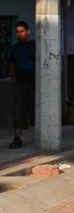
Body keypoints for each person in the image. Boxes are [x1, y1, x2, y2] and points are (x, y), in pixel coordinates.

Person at [8, 21, 35, 149]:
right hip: (20, 83)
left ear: (28, 32)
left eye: (22, 31)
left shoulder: (35, 45)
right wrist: (14, 82)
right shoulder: (15, 48)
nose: (20, 34)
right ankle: (17, 138)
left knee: (35, 110)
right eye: (17, 32)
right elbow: (12, 65)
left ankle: (42, 135)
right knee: (19, 111)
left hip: (35, 82)